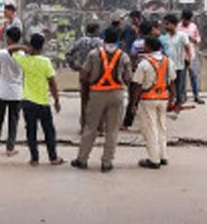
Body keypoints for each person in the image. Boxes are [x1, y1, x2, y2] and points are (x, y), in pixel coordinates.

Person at [71, 27, 132, 173]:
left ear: (104, 39)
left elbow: (84, 75)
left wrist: (86, 90)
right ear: (117, 40)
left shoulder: (94, 54)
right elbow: (128, 78)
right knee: (112, 130)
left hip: (97, 94)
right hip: (116, 94)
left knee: (90, 128)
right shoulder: (123, 56)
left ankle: (82, 159)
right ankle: (107, 162)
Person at [9, 33, 64, 167]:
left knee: (31, 131)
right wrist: (57, 101)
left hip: (27, 101)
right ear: (42, 46)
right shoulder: (45, 62)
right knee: (49, 131)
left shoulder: (25, 60)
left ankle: (34, 158)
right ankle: (53, 157)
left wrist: (24, 47)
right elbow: (52, 83)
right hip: (43, 102)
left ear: (30, 45)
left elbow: (10, 49)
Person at [131, 36, 177, 169]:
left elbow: (137, 85)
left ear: (149, 47)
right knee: (162, 126)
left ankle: (154, 159)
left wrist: (134, 103)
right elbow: (172, 81)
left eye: (145, 45)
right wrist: (172, 98)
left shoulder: (144, 63)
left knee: (150, 129)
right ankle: (163, 156)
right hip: (163, 97)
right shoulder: (168, 61)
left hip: (148, 98)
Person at [0, 27, 23, 156]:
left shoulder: (2, 53)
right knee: (13, 121)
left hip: (2, 90)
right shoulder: (23, 55)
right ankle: (10, 148)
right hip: (17, 91)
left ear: (8, 38)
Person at [66, 23, 103, 130]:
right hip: (97, 75)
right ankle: (99, 127)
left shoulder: (81, 41)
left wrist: (74, 65)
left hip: (84, 73)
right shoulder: (100, 42)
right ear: (96, 30)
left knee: (85, 100)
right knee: (98, 101)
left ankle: (84, 126)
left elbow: (68, 52)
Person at [162, 14, 191, 107]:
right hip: (167, 65)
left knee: (179, 85)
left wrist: (189, 62)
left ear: (174, 24)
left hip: (179, 65)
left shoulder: (182, 35)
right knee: (169, 85)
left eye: (167, 24)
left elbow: (187, 49)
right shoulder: (165, 37)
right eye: (165, 24)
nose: (165, 26)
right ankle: (170, 102)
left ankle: (178, 103)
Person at [178, 10, 205, 105]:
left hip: (191, 55)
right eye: (185, 20)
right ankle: (182, 96)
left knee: (193, 76)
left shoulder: (193, 27)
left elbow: (198, 40)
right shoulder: (178, 27)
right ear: (182, 18)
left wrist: (192, 39)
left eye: (188, 20)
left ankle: (196, 95)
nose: (187, 22)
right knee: (182, 77)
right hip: (180, 56)